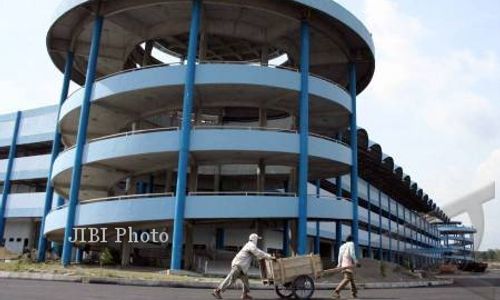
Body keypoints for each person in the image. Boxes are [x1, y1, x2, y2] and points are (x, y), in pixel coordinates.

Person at [212, 233, 273, 300]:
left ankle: (244, 295)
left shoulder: (250, 245)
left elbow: (257, 254)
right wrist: (269, 256)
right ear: (254, 239)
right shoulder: (251, 245)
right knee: (230, 280)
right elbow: (258, 253)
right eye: (257, 239)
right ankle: (217, 291)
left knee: (245, 282)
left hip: (242, 268)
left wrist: (264, 257)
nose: (257, 241)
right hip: (238, 266)